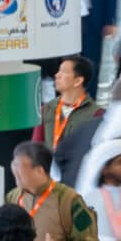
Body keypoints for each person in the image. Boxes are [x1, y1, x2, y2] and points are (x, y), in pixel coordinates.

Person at [9, 140, 101, 241]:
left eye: (19, 165)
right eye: (13, 164)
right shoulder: (12, 198)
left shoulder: (70, 200)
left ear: (39, 171)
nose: (14, 170)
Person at [36, 54, 105, 187]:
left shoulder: (97, 114)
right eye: (58, 71)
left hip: (78, 181)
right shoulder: (46, 110)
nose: (57, 75)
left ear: (78, 81)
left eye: (64, 72)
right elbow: (36, 147)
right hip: (48, 181)